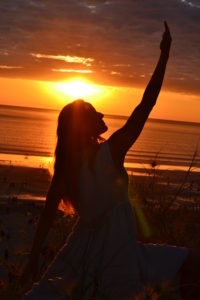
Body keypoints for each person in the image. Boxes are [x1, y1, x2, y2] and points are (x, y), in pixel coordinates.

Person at [21, 22, 200, 299]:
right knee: (190, 265)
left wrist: (33, 261)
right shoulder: (112, 151)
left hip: (83, 249)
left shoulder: (66, 168)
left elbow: (46, 219)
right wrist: (164, 56)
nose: (102, 114)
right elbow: (146, 104)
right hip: (120, 252)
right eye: (94, 112)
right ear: (84, 126)